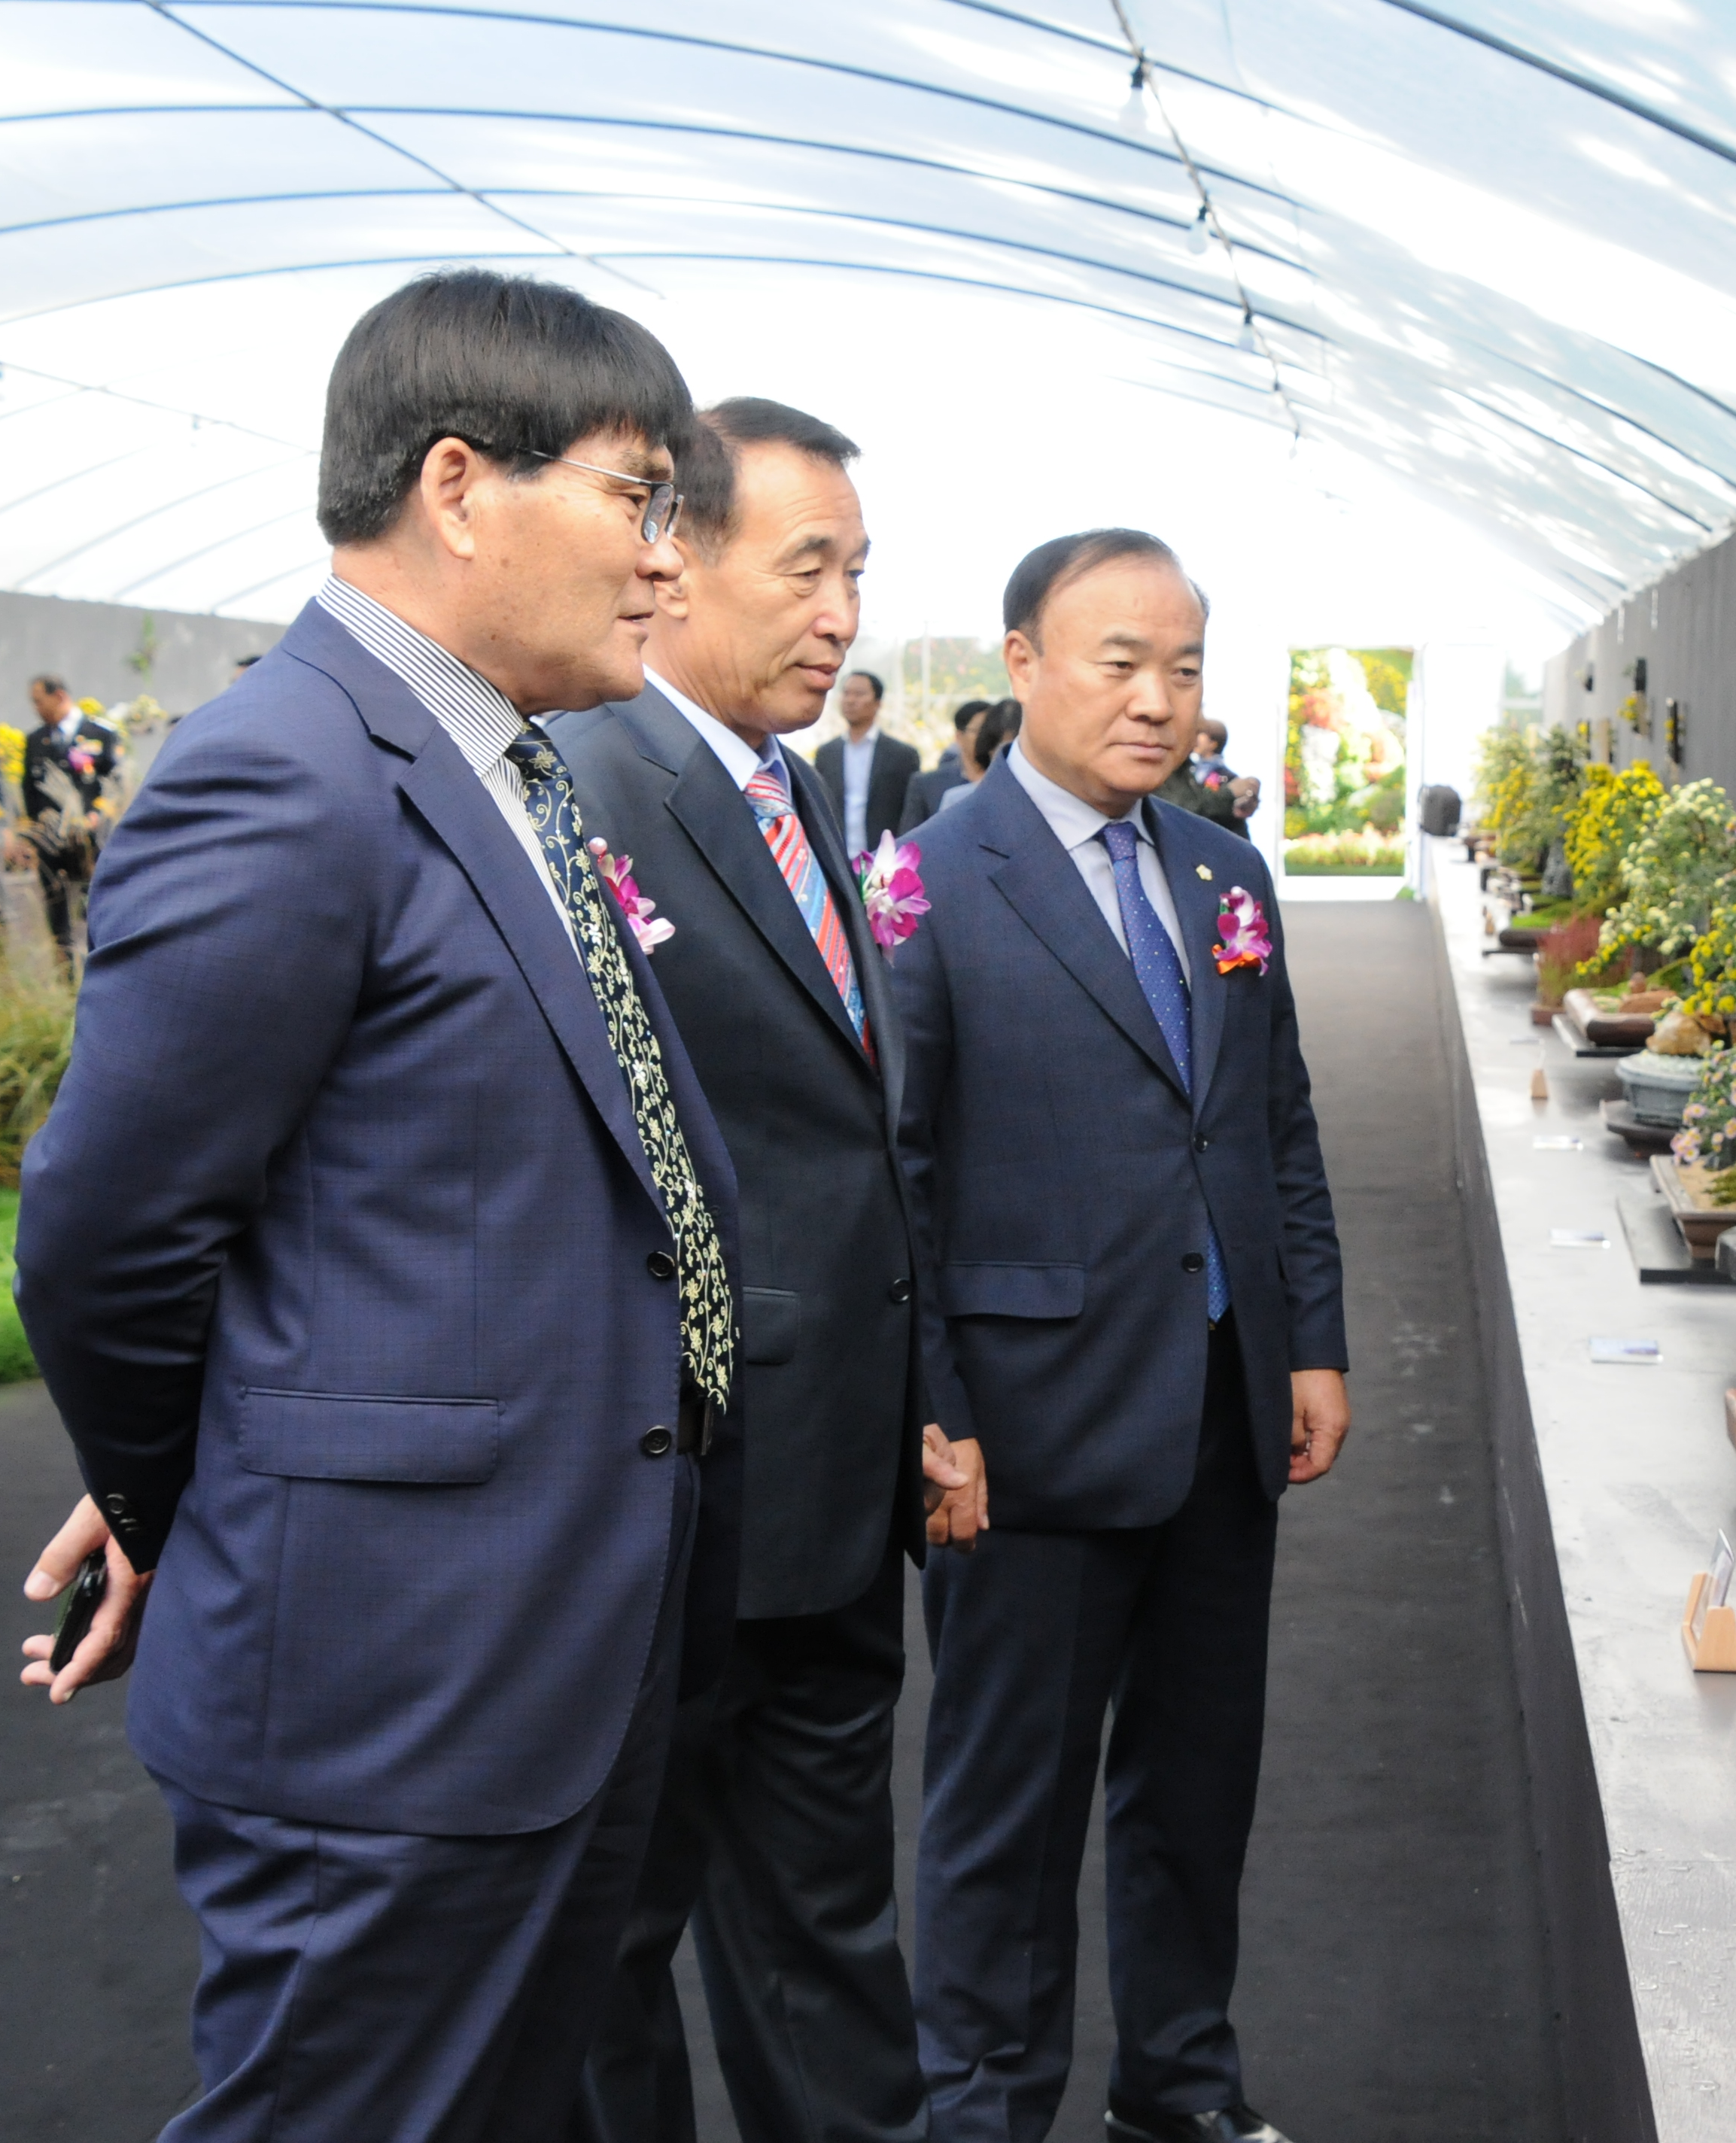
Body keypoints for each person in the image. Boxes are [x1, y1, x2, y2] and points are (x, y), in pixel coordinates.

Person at [8, 268, 744, 2143]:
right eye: (637, 494)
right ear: (457, 484)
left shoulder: (505, 764)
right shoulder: (287, 773)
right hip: (395, 1682)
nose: (672, 558)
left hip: (552, 1644)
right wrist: (198, 1506)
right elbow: (111, 1233)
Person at [553, 395, 974, 2143]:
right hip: (664, 1501)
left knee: (824, 1934)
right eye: (806, 567)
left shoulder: (793, 784)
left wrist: (928, 1409)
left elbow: (864, 1143)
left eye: (857, 574)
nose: (841, 615)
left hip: (825, 1493)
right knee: (612, 1963)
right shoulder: (582, 784)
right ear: (678, 554)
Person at [893, 530, 1348, 2143]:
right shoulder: (928, 880)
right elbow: (903, 1175)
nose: (1159, 700)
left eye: (1185, 667)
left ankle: (1178, 2092)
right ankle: (986, 2109)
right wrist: (934, 1420)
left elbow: (1271, 1119)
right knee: (1001, 1820)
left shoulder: (1223, 872)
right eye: (1118, 662)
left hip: (1220, 1412)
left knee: (1192, 1788)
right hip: (1024, 1442)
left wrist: (1307, 1337)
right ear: (1021, 662)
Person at [6, 671, 118, 949]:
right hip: (51, 843)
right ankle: (65, 969)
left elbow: (115, 784)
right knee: (56, 908)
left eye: (39, 701)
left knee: (93, 906)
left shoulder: (100, 734)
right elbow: (29, 793)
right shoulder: (35, 740)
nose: (36, 709)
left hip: (90, 840)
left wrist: (98, 813)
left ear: (59, 696)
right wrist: (29, 836)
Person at [811, 668, 917, 863]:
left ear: (878, 703)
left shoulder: (902, 755)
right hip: (837, 856)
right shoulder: (827, 754)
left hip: (884, 858)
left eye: (859, 694)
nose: (850, 700)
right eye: (846, 693)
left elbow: (911, 811)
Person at [899, 698, 987, 831]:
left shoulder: (1007, 780)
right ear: (959, 737)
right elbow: (910, 840)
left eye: (993, 732)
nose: (987, 738)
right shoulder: (927, 784)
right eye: (979, 731)